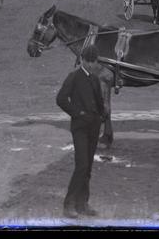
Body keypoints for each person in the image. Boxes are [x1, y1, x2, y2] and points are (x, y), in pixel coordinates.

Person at [56, 46, 105, 219]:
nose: (92, 64)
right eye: (89, 61)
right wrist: (78, 113)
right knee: (82, 165)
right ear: (83, 59)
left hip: (94, 127)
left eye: (94, 61)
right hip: (80, 128)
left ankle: (82, 203)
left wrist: (102, 117)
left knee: (88, 167)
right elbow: (61, 99)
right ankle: (68, 204)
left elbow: (100, 101)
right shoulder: (74, 77)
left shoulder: (95, 78)